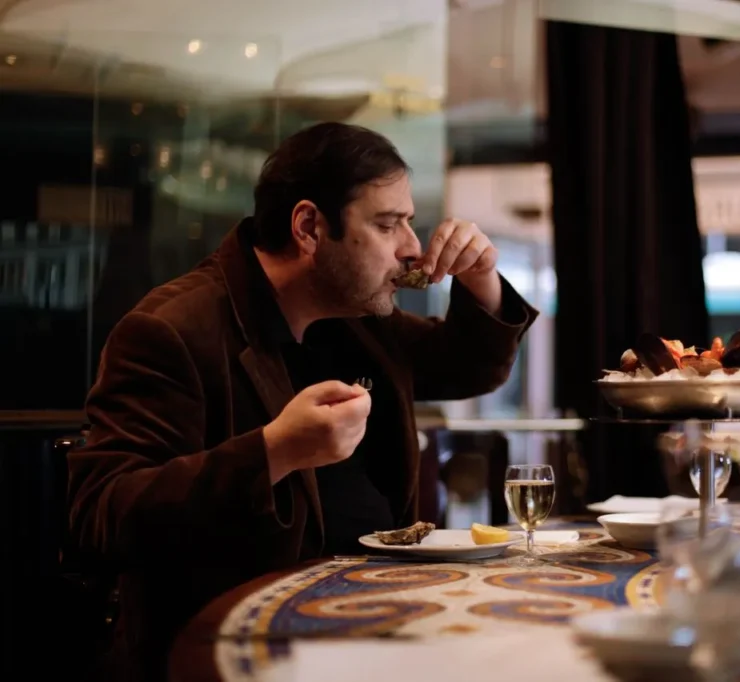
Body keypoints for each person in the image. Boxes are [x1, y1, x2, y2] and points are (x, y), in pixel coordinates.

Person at [67, 122, 537, 680]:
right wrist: (272, 452)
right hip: (235, 650)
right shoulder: (171, 329)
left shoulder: (360, 317)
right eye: (388, 224)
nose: (412, 246)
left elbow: (468, 368)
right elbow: (101, 515)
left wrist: (482, 277)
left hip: (379, 622)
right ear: (310, 226)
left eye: (409, 221)